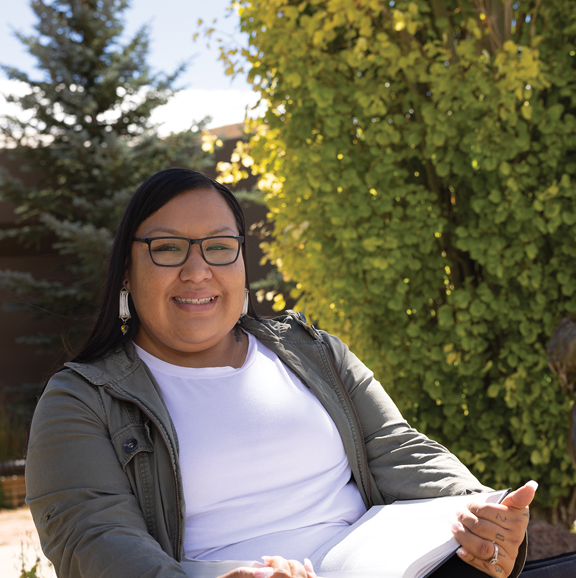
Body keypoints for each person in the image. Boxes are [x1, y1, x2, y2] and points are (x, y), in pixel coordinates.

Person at [25, 168, 540, 578]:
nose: (198, 270)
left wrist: (484, 516)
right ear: (125, 271)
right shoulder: (80, 400)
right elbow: (93, 539)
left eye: (219, 246)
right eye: (167, 248)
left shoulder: (315, 354)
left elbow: (401, 448)